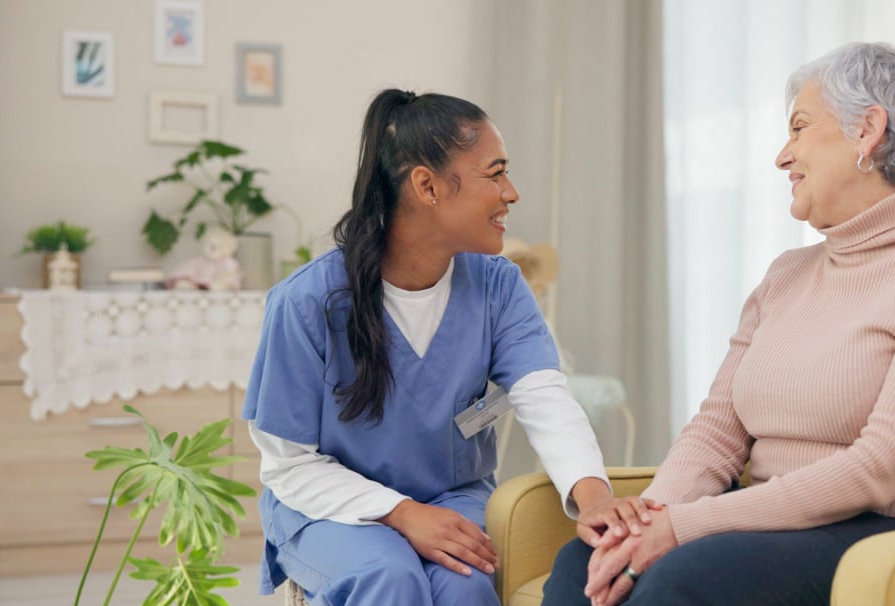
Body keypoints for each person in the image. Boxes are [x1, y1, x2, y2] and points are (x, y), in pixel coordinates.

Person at [542, 42, 895, 606]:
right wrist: (648, 520)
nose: (782, 155)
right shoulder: (786, 275)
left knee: (693, 573)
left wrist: (683, 528)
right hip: (793, 526)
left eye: (799, 127)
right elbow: (716, 434)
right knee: (585, 558)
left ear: (867, 130)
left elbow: (879, 468)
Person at [242, 89, 654, 606]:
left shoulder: (499, 287)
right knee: (389, 578)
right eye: (495, 173)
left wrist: (594, 497)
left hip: (453, 498)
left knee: (465, 583)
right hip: (329, 510)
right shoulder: (308, 302)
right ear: (427, 186)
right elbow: (288, 465)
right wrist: (401, 512)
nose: (512, 192)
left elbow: (544, 396)